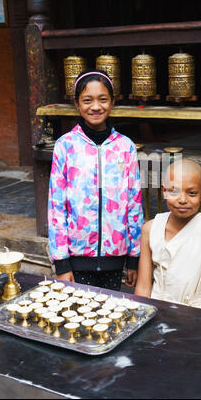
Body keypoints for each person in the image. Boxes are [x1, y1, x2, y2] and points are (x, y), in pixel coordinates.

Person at [48, 69, 143, 291]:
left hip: (115, 258)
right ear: (77, 104)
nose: (96, 107)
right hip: (75, 258)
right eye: (87, 100)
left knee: (108, 319)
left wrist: (134, 257)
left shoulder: (125, 147)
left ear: (112, 101)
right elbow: (56, 207)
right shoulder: (65, 146)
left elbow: (134, 203)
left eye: (103, 99)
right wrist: (61, 261)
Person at [134, 158, 201, 314]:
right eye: (174, 191)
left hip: (194, 319)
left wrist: (190, 321)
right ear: (164, 191)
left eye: (191, 193)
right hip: (154, 315)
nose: (182, 200)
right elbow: (143, 288)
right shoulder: (150, 229)